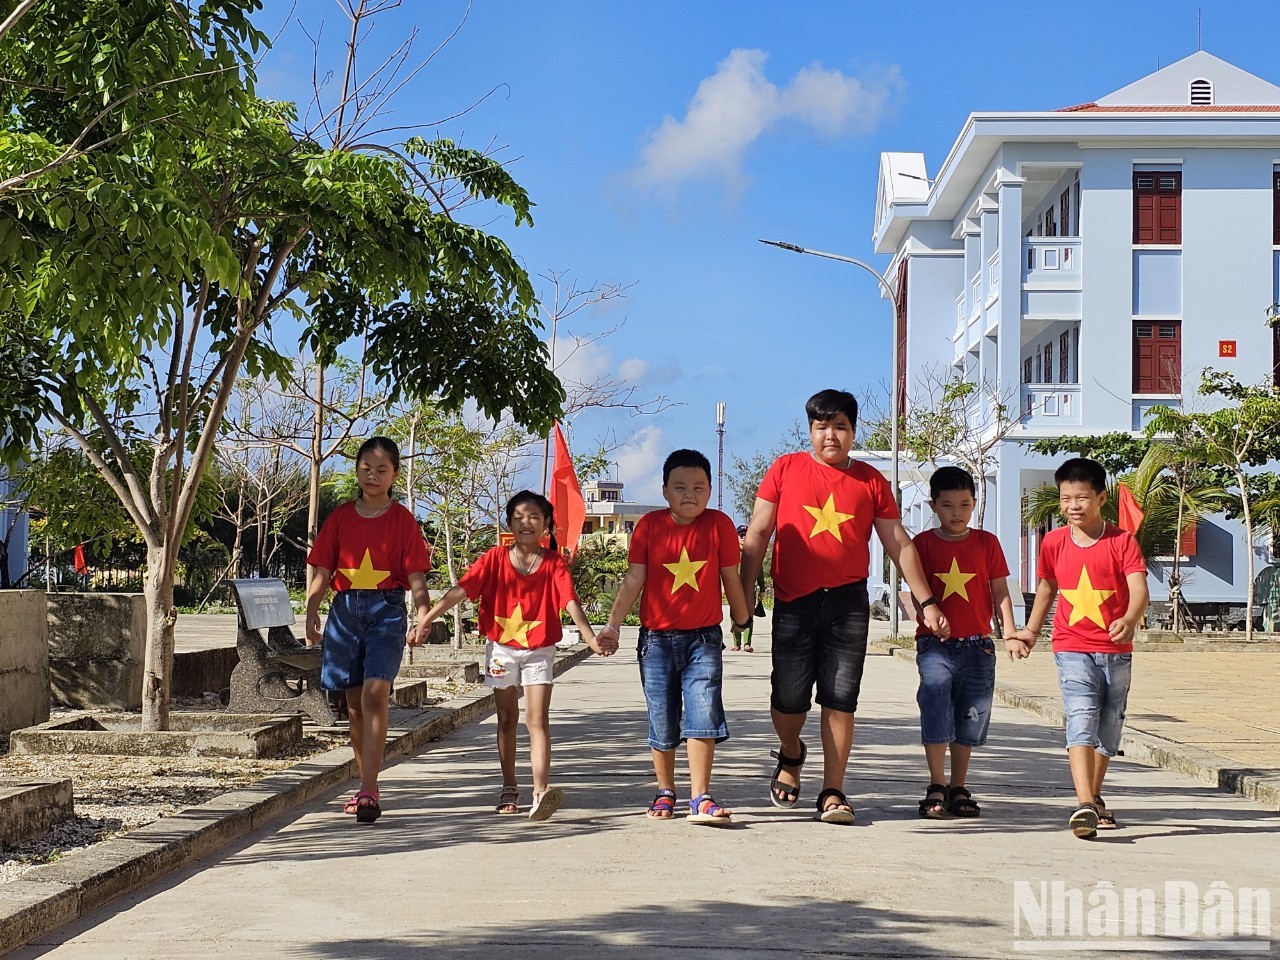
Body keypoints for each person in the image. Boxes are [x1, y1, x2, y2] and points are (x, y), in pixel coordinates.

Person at [739, 388, 946, 824]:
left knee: (841, 697)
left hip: (848, 602)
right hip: (794, 601)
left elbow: (898, 542)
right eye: (821, 427)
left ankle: (833, 789)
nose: (830, 436)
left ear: (853, 431)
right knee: (789, 695)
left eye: (840, 427)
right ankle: (792, 754)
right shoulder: (785, 469)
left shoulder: (871, 481)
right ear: (809, 430)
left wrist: (925, 600)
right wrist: (741, 593)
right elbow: (758, 533)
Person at [413, 491, 615, 821]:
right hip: (500, 649)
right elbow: (462, 589)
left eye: (535, 517)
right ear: (509, 523)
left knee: (537, 720)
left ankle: (540, 791)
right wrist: (428, 617)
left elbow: (570, 602)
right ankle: (509, 786)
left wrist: (590, 638)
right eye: (519, 517)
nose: (526, 523)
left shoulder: (553, 563)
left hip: (539, 651)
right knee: (507, 718)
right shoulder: (493, 559)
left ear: (547, 525)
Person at [597, 450, 750, 825]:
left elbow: (731, 576)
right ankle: (666, 791)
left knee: (703, 712)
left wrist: (741, 615)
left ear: (711, 490)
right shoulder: (649, 526)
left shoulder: (720, 525)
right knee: (662, 718)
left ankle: (701, 796)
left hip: (704, 640)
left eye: (699, 487)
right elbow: (634, 578)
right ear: (664, 490)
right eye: (680, 487)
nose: (689, 495)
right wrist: (612, 625)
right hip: (656, 642)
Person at [1015, 457, 1148, 838]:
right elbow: (1046, 589)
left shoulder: (1121, 542)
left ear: (1101, 498)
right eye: (1066, 498)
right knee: (1081, 716)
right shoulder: (1054, 542)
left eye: (1082, 497)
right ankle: (1084, 803)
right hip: (1071, 646)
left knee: (1109, 726)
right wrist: (1030, 631)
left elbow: (1139, 588)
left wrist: (1129, 617)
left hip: (1117, 649)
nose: (1073, 506)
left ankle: (1095, 796)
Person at [306, 436, 432, 825]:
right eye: (366, 468)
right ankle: (366, 783)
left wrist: (423, 612)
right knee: (354, 707)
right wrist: (311, 608)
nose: (373, 475)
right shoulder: (340, 517)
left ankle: (369, 789)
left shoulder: (403, 520)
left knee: (377, 693)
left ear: (395, 474)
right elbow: (323, 570)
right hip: (345, 612)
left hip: (387, 611)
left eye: (382, 469)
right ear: (356, 470)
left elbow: (416, 576)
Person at [912, 466, 1025, 820]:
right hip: (935, 646)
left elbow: (1000, 591)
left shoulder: (987, 543)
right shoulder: (923, 544)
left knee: (969, 716)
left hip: (978, 647)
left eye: (964, 504)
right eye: (947, 505)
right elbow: (917, 592)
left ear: (974, 504)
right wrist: (927, 614)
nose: (956, 513)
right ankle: (936, 783)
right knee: (935, 706)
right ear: (933, 506)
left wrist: (1009, 632)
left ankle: (959, 786)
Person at [732, 523, 767, 653]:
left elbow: (760, 571)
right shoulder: (732, 552)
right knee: (735, 613)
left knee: (749, 614)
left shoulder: (753, 553)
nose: (743, 537)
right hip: (734, 588)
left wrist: (762, 589)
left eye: (745, 535)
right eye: (740, 535)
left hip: (750, 589)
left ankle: (747, 643)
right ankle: (736, 643)